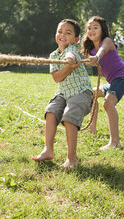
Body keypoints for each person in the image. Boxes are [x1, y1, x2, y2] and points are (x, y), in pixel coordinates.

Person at [32, 19, 93, 167]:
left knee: (69, 117)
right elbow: (57, 78)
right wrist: (68, 67)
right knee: (51, 111)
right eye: (60, 31)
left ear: (75, 39)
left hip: (81, 92)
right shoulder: (53, 56)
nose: (62, 35)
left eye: (68, 33)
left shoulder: (72, 50)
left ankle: (71, 158)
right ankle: (48, 150)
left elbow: (70, 56)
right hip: (64, 93)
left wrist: (69, 61)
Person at [81, 16, 124, 150]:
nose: (91, 30)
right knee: (92, 93)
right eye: (89, 28)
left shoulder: (107, 41)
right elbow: (88, 57)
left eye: (95, 27)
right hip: (114, 82)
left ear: (102, 30)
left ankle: (115, 142)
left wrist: (96, 57)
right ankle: (92, 128)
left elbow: (102, 51)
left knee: (108, 102)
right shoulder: (90, 49)